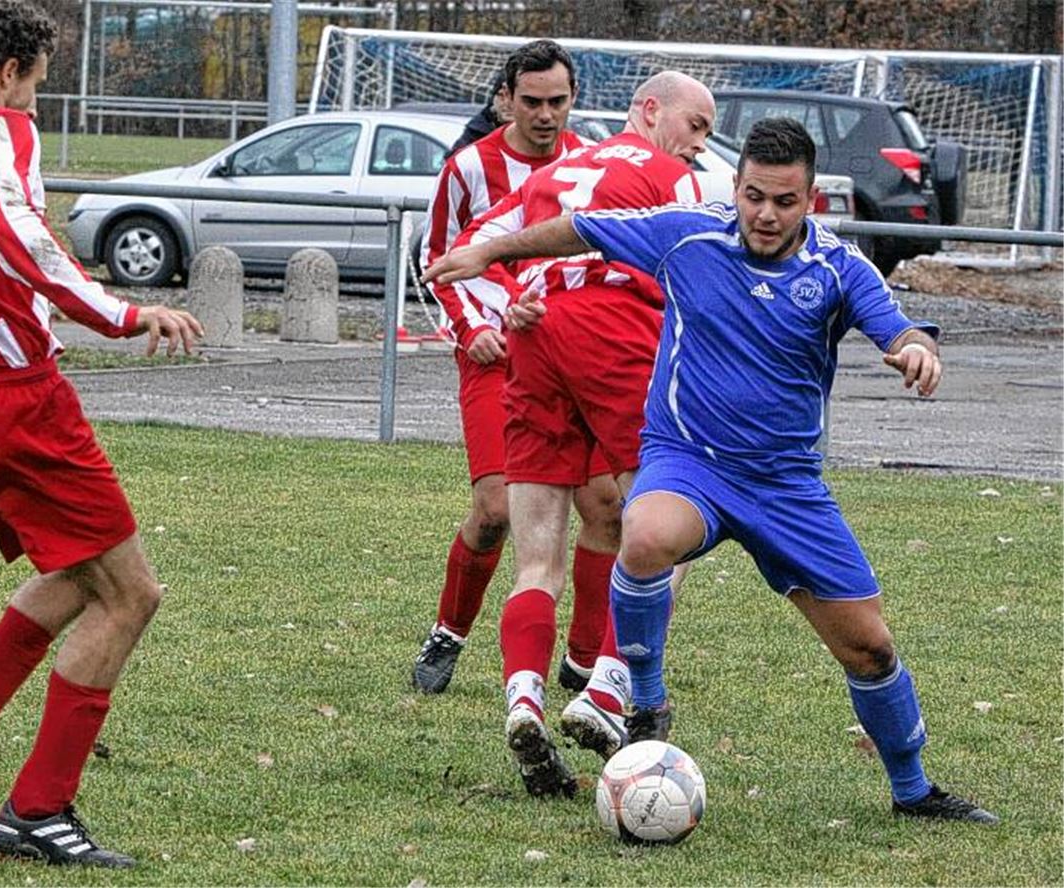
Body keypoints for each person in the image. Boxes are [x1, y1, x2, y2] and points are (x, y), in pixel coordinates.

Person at [424, 117, 998, 823]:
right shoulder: (689, 232)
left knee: (871, 648)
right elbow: (581, 228)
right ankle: (645, 698)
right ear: (737, 187)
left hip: (787, 487)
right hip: (688, 460)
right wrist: (489, 250)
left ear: (810, 199)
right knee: (643, 533)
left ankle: (913, 791)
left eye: (784, 201)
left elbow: (895, 323)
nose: (765, 213)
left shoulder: (837, 267)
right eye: (754, 195)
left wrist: (916, 349)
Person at [0, 0, 203, 867]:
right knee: (131, 594)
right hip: (14, 393)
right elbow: (21, 236)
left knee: (75, 573)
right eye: (36, 86)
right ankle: (38, 810)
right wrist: (124, 313)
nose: (35, 106)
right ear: (7, 71)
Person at [438, 71, 713, 795]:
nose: (700, 145)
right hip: (617, 330)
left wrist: (512, 303)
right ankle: (606, 690)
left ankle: (524, 701)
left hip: (538, 337)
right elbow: (700, 266)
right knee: (674, 528)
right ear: (650, 111)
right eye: (698, 125)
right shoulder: (668, 177)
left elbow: (471, 248)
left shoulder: (561, 168)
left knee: (537, 560)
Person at [412, 39, 621, 698]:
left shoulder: (592, 163)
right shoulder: (470, 168)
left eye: (557, 101)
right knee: (496, 508)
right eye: (531, 101)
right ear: (505, 99)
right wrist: (475, 327)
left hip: (571, 357)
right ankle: (449, 630)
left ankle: (583, 663)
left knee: (608, 508)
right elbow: (438, 260)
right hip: (496, 355)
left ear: (573, 99)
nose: (545, 114)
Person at [447, 71, 511, 157]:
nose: (507, 103)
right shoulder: (476, 132)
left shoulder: (531, 133)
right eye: (502, 95)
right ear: (493, 99)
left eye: (513, 97)